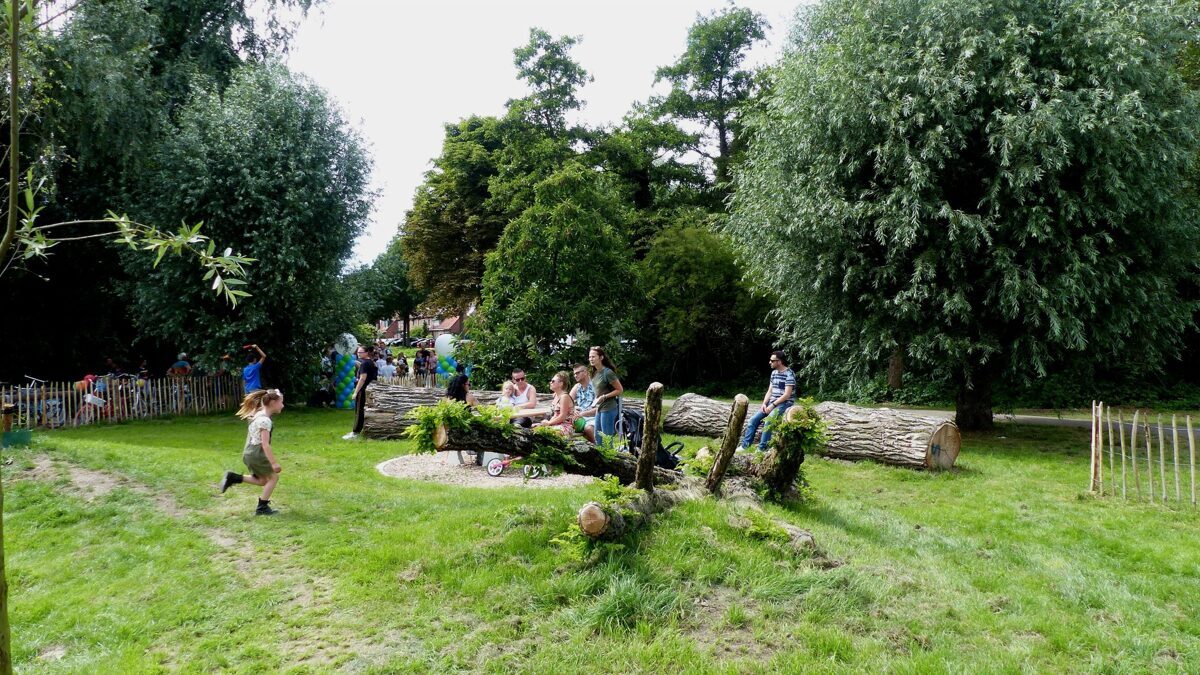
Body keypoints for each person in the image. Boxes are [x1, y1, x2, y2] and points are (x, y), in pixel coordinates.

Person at [218, 389, 285, 516]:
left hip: (249, 452)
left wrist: (273, 392)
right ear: (272, 403)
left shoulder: (258, 414)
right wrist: (274, 463)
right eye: (281, 402)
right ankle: (262, 508)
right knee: (273, 478)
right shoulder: (265, 421)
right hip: (257, 453)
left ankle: (233, 477)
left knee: (262, 481)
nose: (283, 405)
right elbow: (265, 445)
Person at [740, 350, 797, 452]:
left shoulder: (789, 375)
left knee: (769, 421)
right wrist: (764, 404)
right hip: (772, 403)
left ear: (779, 362)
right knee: (753, 420)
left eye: (772, 360)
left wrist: (772, 405)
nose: (769, 362)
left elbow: (787, 395)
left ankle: (762, 449)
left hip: (784, 404)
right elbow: (770, 391)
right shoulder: (774, 373)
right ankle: (745, 446)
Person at [588, 346, 623, 444]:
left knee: (607, 439)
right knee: (598, 438)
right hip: (599, 408)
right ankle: (601, 459)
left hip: (608, 408)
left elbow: (619, 390)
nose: (591, 359)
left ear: (601, 358)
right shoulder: (594, 372)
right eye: (590, 357)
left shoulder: (608, 373)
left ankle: (611, 459)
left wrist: (604, 397)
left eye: (593, 357)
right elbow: (598, 391)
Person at [342, 345, 378, 440]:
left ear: (366, 353)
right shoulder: (372, 362)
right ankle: (363, 430)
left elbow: (362, 378)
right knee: (365, 410)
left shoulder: (364, 364)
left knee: (359, 410)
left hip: (363, 389)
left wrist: (355, 392)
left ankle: (355, 432)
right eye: (358, 352)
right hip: (370, 389)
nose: (358, 354)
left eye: (360, 352)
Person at [533, 371, 575, 437]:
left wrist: (549, 423)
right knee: (532, 429)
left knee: (543, 434)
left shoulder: (564, 396)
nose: (550, 382)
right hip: (555, 425)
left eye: (553, 381)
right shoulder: (555, 395)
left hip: (564, 426)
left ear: (561, 383)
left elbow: (562, 417)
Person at [569, 363, 597, 443]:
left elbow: (599, 408)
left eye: (577, 373)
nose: (575, 375)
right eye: (574, 373)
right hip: (579, 417)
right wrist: (574, 409)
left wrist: (582, 414)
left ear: (586, 372)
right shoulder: (577, 387)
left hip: (593, 417)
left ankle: (598, 450)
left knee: (588, 429)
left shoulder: (596, 386)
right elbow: (567, 403)